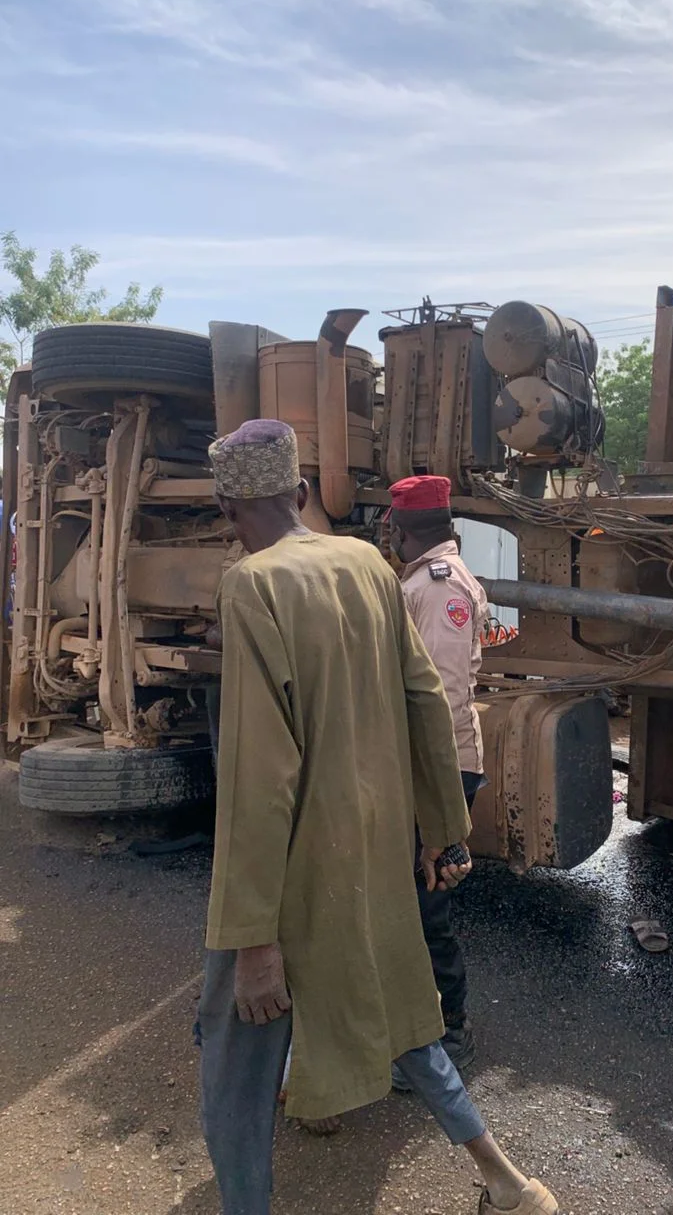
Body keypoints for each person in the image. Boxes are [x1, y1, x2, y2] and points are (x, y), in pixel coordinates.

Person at [197, 419, 557, 1215]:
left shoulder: (251, 586)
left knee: (234, 1060)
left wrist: (255, 937)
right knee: (404, 1012)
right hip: (377, 843)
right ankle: (507, 1181)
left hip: (294, 865)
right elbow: (427, 698)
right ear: (299, 495)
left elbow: (261, 773)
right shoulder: (366, 563)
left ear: (228, 510)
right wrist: (442, 831)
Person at [388, 475, 488, 1083]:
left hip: (443, 763)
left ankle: (451, 1034)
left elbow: (443, 695)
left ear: (402, 531)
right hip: (433, 762)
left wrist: (433, 794)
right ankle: (419, 1025)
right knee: (412, 901)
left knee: (427, 906)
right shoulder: (428, 580)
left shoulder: (438, 587)